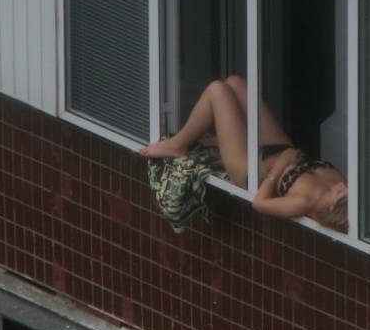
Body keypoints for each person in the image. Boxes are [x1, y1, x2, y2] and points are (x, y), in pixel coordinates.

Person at [138, 76, 348, 231]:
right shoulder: (340, 185)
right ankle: (228, 138)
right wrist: (285, 158)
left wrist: (281, 166)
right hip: (280, 150)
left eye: (340, 193)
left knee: (217, 90)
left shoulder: (303, 202)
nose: (343, 186)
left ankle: (177, 145)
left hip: (251, 171)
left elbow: (259, 203)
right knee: (235, 83)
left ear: (332, 209)